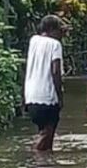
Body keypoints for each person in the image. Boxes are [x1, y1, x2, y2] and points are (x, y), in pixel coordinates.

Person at [24, 15, 65, 152]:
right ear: (52, 29)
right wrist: (60, 96)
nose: (62, 34)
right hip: (47, 97)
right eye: (60, 30)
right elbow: (56, 71)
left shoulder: (33, 40)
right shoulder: (55, 45)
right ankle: (36, 161)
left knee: (44, 132)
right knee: (47, 133)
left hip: (31, 96)